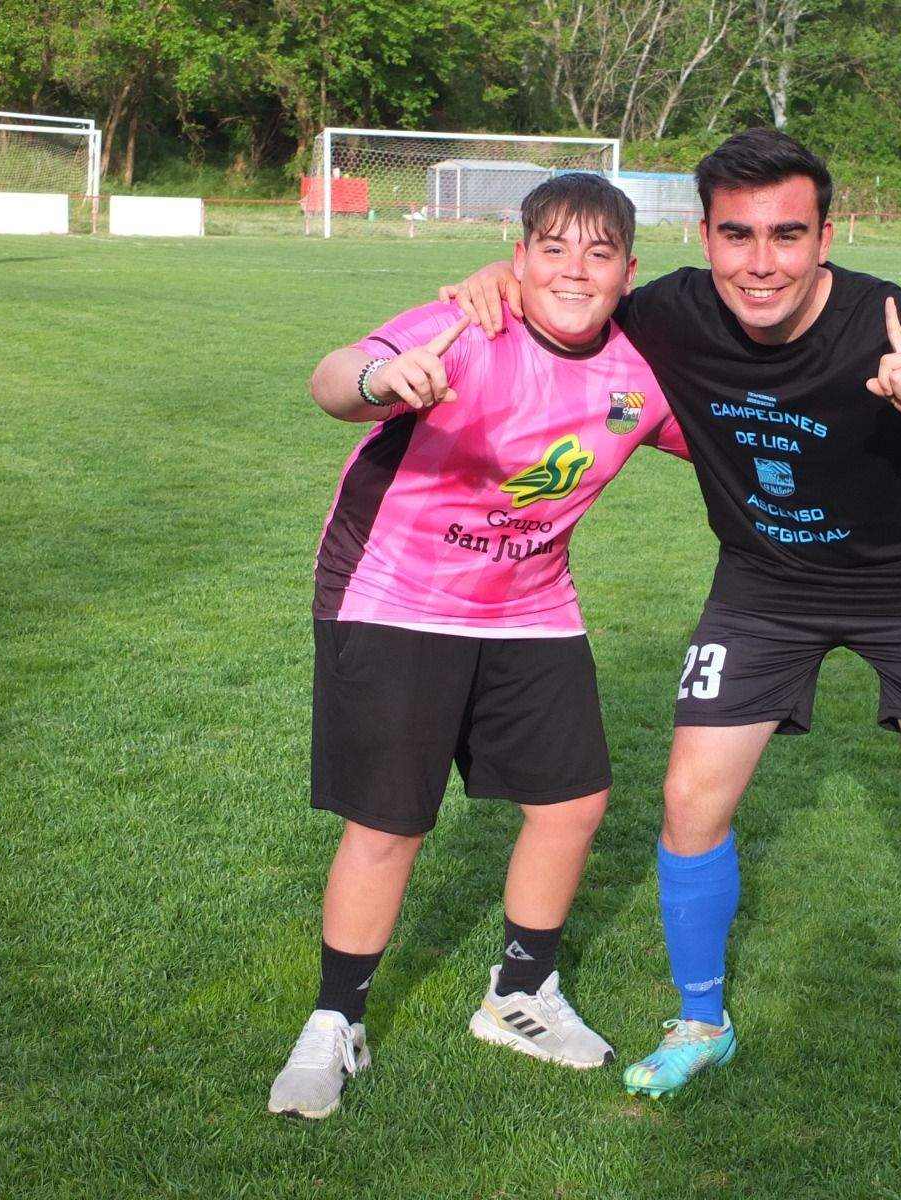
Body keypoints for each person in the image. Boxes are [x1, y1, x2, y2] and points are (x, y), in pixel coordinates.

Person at [445, 129, 901, 1132]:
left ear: (826, 235)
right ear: (705, 235)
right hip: (765, 586)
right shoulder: (673, 312)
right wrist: (494, 277)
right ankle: (699, 1025)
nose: (761, 261)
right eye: (737, 235)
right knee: (689, 797)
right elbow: (566, 293)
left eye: (787, 234)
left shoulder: (889, 321)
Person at [269, 173, 689, 1120]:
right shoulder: (461, 326)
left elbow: (715, 440)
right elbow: (334, 379)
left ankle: (519, 996)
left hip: (530, 603)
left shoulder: (641, 370)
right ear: (518, 255)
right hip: (393, 594)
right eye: (554, 249)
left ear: (630, 268)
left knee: (573, 802)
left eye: (599, 252)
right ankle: (336, 1021)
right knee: (388, 824)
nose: (574, 272)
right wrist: (383, 381)